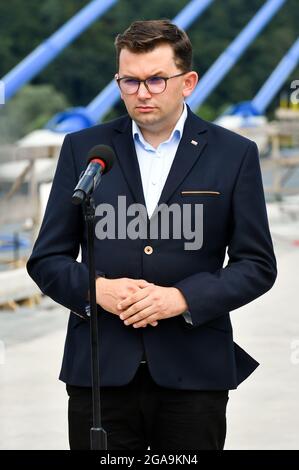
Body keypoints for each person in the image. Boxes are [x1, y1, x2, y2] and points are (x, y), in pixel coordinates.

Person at [27, 19, 277, 451]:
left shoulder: (234, 154)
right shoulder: (83, 149)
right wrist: (96, 291)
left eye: (157, 79)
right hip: (101, 376)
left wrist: (182, 299)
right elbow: (47, 259)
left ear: (188, 82)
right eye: (130, 81)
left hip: (194, 374)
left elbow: (257, 265)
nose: (142, 92)